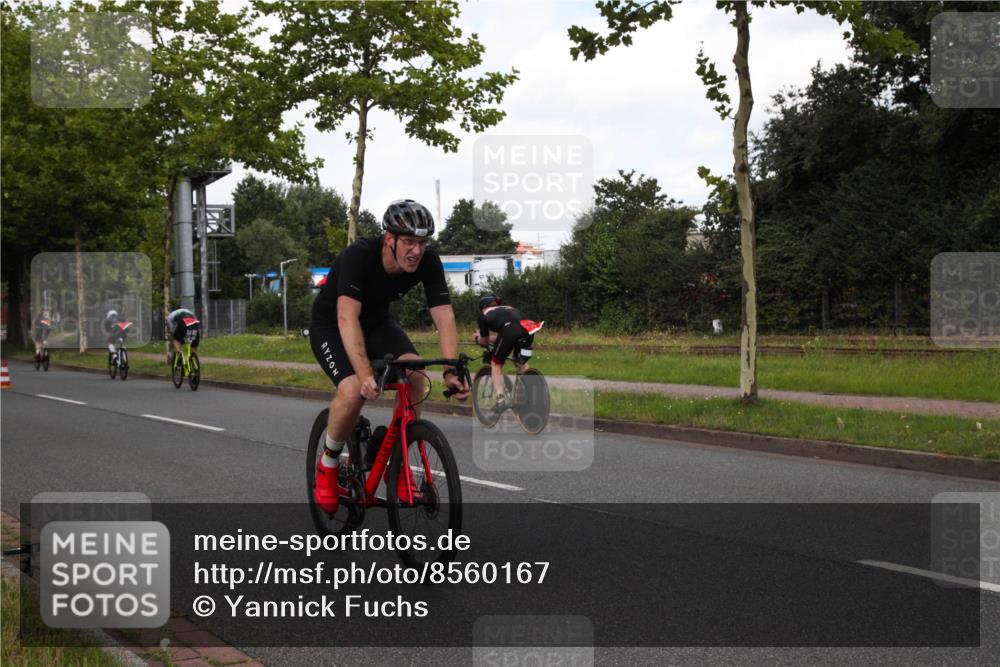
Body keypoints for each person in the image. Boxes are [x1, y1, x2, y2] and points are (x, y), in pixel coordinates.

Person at [309, 199, 470, 512]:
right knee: (354, 390)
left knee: (416, 376)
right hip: (333, 324)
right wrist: (365, 372)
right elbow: (347, 318)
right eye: (408, 242)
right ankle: (328, 465)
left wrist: (451, 370)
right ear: (390, 240)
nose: (416, 251)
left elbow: (445, 317)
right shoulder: (359, 255)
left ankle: (396, 460)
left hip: (378, 324)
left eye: (422, 243)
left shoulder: (428, 261)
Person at [474, 294, 543, 414]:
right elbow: (505, 338)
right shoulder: (508, 308)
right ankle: (530, 393)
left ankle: (500, 400)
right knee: (521, 362)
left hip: (510, 331)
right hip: (529, 329)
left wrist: (477, 338)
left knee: (496, 363)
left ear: (482, 307)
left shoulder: (483, 315)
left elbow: (485, 341)